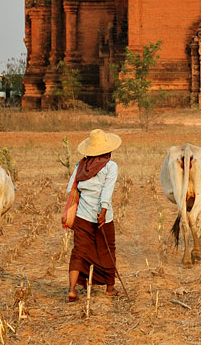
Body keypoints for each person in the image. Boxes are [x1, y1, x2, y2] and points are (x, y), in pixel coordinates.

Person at [65, 129, 121, 301]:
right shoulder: (111, 166)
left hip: (82, 215)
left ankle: (72, 290)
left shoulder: (80, 165)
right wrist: (103, 211)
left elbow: (70, 189)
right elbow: (107, 191)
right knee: (107, 249)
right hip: (103, 216)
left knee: (79, 251)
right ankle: (109, 289)